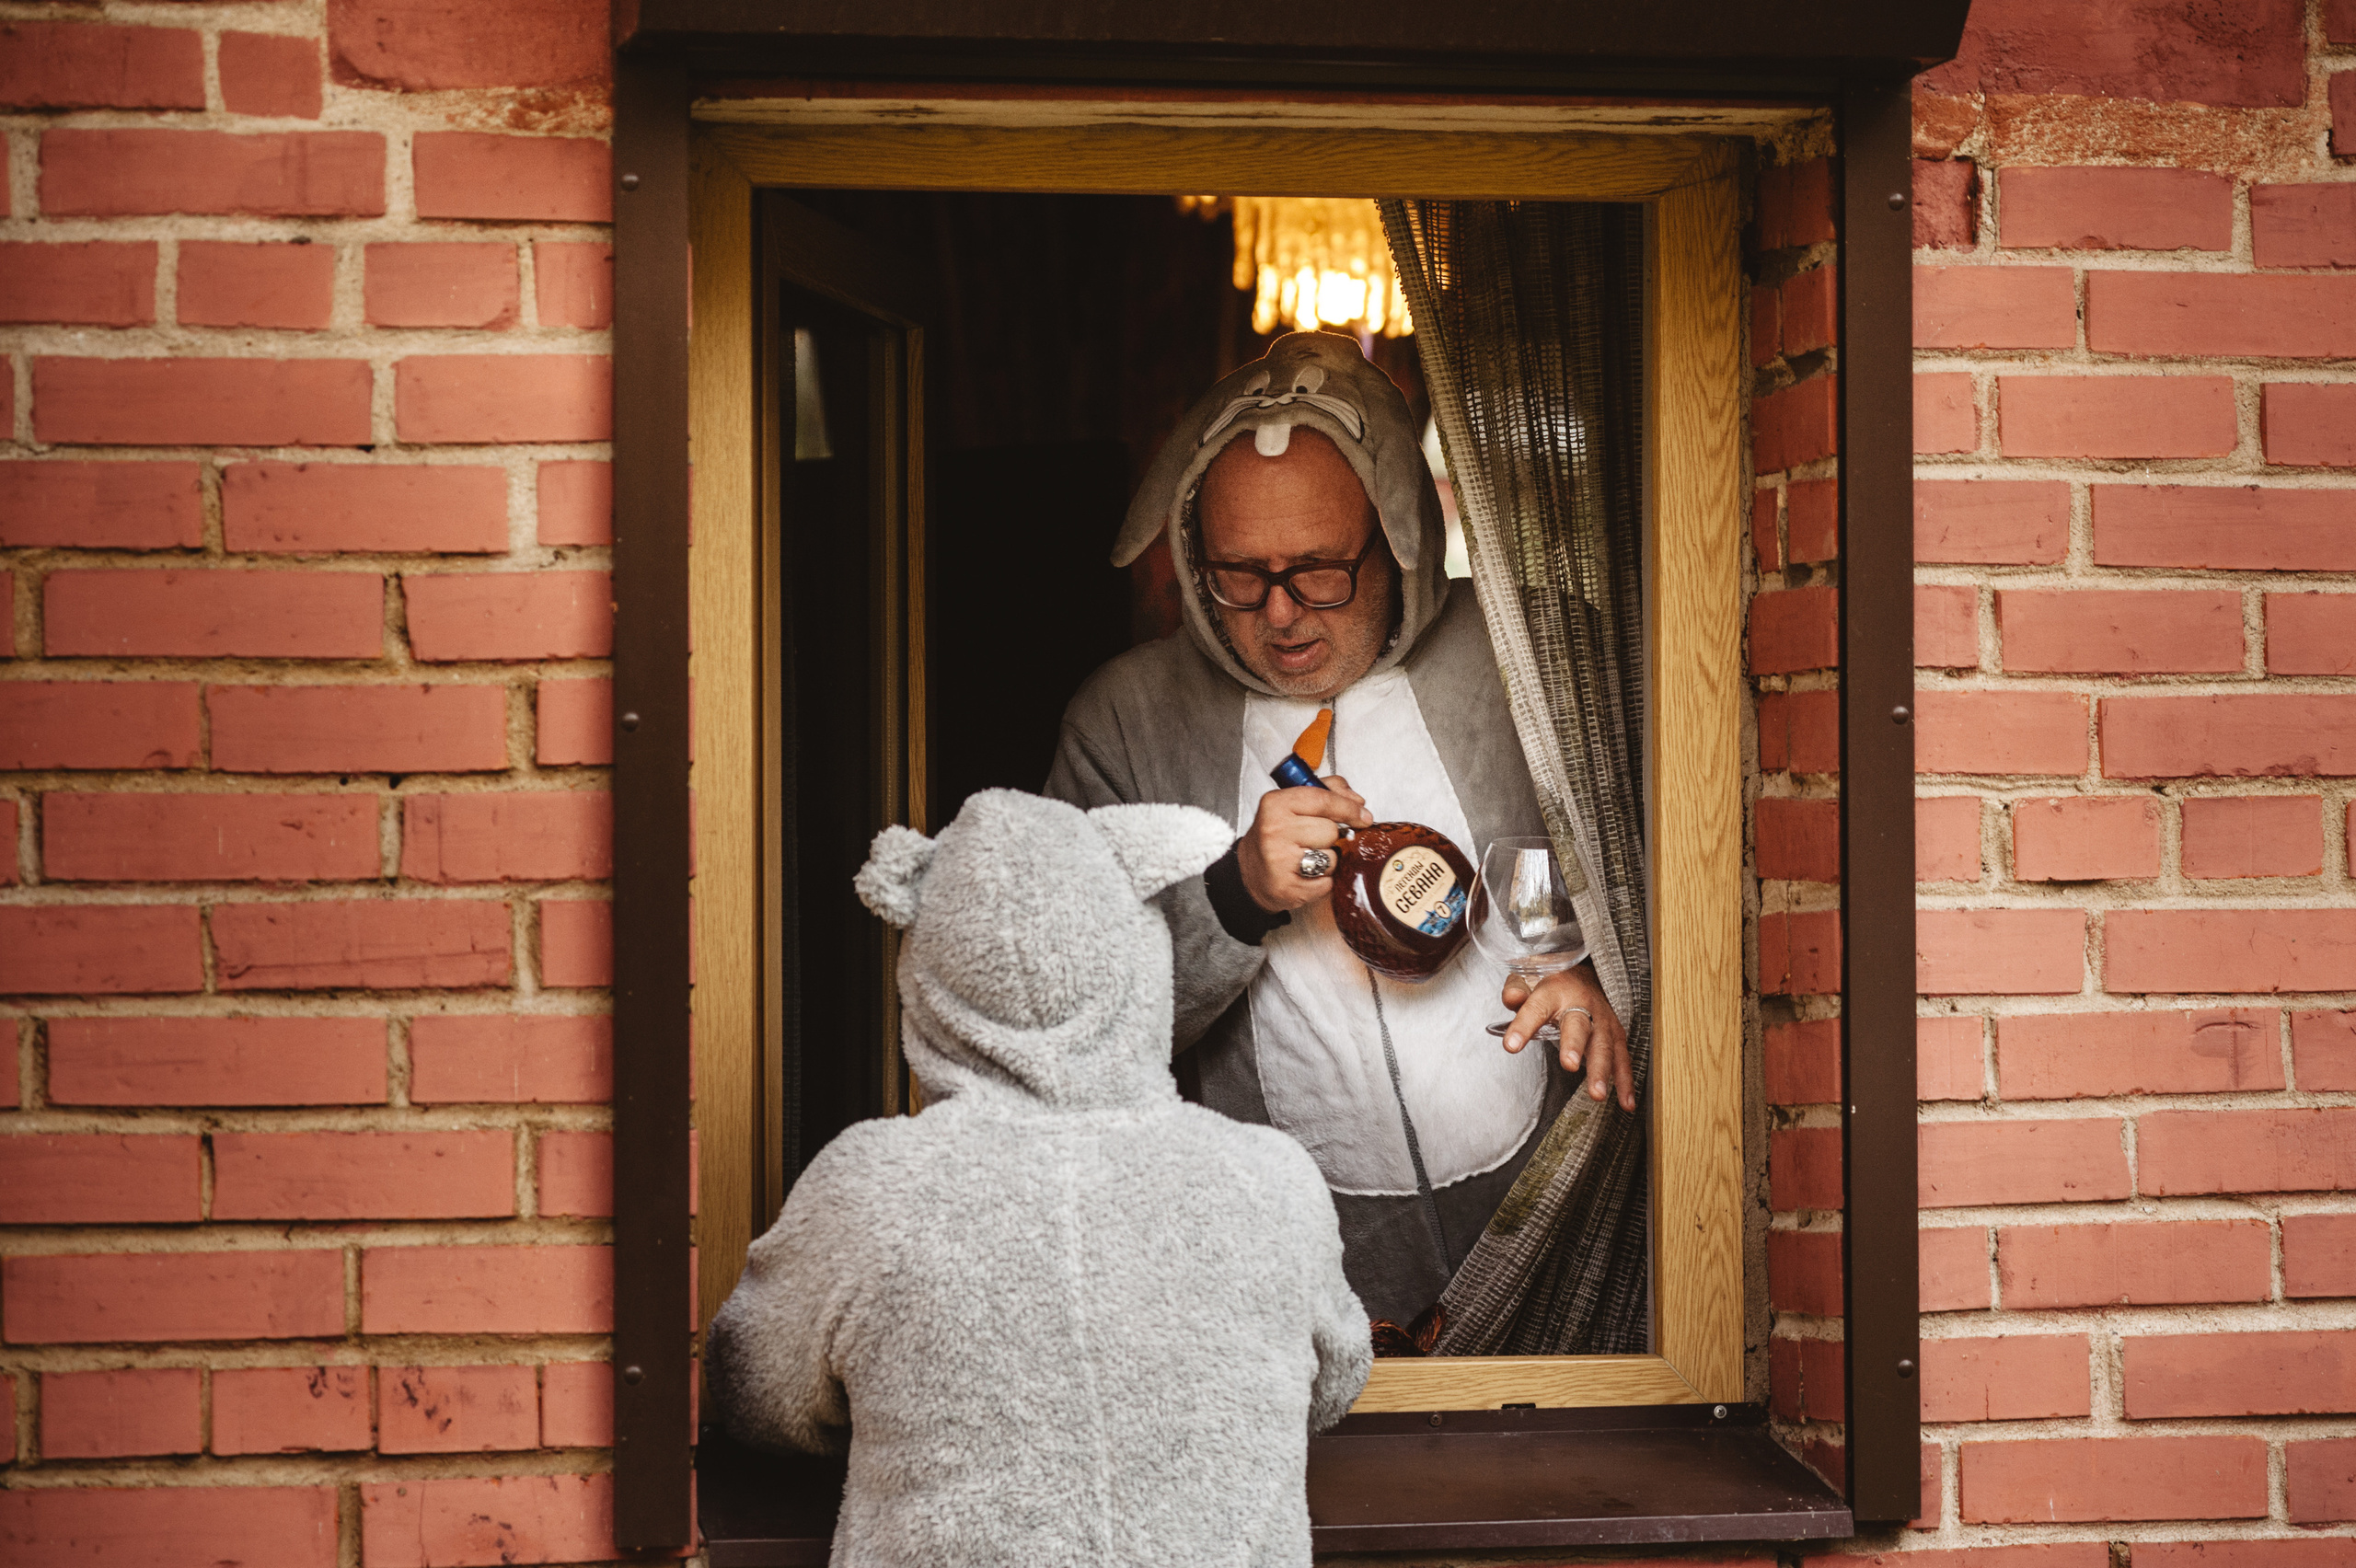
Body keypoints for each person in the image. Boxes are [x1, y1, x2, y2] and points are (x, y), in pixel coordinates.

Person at [1045, 330, 1634, 1331]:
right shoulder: (1126, 721)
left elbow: (1683, 871)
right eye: (1238, 575)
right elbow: (1057, 1021)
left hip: (1560, 1227)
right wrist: (1232, 896)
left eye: (1321, 571)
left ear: (1398, 536)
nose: (1280, 615)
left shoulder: (1528, 657)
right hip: (1275, 1279)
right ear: (1191, 557)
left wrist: (1604, 971)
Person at [708, 789, 1371, 1567]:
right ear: (1138, 952)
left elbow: (756, 1394)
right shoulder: (1272, 1180)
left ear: (926, 974)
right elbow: (1335, 1381)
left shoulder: (872, 1189)